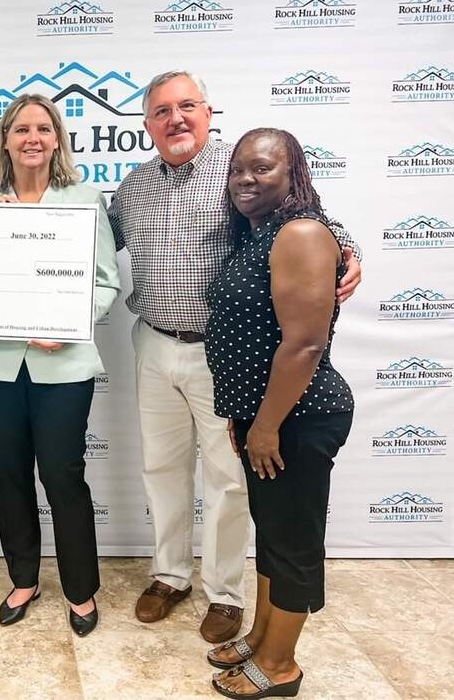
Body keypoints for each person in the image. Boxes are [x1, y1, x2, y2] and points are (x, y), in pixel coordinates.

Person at [106, 71, 361, 644]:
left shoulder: (237, 171)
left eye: (187, 106)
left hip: (222, 359)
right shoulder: (133, 188)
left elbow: (308, 218)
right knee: (162, 470)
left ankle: (225, 594)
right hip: (151, 343)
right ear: (146, 125)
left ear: (208, 111)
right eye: (162, 111)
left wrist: (351, 247)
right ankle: (169, 576)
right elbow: (87, 246)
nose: (176, 119)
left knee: (227, 481)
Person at [0, 94, 121, 637]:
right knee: (10, 473)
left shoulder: (83, 198)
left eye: (44, 129)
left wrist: (67, 322)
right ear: (5, 139)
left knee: (62, 475)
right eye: (22, 128)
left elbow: (105, 284)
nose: (33, 138)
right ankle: (24, 578)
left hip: (64, 365)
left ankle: (80, 589)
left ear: (57, 140)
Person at [205, 128, 353, 698]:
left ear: (294, 176)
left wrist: (265, 424)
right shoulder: (256, 234)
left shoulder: (301, 233)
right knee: (271, 535)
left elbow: (304, 345)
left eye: (262, 168)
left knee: (291, 541)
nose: (246, 178)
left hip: (297, 419)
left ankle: (281, 666)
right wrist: (247, 417)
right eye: (238, 168)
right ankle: (262, 637)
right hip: (263, 418)